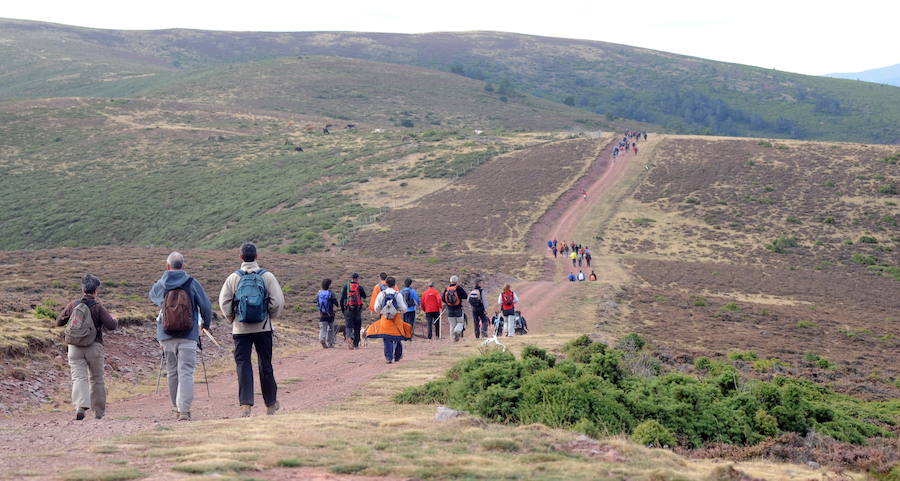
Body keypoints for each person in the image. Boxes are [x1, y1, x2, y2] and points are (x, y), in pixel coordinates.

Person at [218, 242, 285, 418]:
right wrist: (268, 316)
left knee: (243, 364)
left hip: (240, 330)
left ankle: (245, 405)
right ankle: (270, 404)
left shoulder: (233, 278)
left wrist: (233, 318)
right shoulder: (267, 276)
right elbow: (277, 301)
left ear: (240, 257)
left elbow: (224, 302)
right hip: (263, 328)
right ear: (257, 256)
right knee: (265, 364)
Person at [149, 251, 213, 422]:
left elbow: (152, 296)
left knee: (172, 372)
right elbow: (206, 306)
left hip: (166, 335)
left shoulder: (161, 284)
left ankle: (176, 407)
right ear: (183, 266)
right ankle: (184, 410)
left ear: (167, 266)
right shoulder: (192, 283)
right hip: (188, 335)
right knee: (186, 372)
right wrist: (206, 325)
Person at [57, 274, 118, 420]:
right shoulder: (98, 307)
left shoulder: (73, 305)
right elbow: (111, 326)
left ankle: (80, 407)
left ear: (83, 289)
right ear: (95, 290)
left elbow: (59, 322)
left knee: (79, 377)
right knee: (97, 378)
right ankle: (98, 412)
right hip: (94, 346)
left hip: (74, 347)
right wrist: (115, 319)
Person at [366, 277, 410, 363]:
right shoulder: (398, 294)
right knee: (397, 336)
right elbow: (404, 309)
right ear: (394, 285)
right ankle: (397, 356)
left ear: (386, 284)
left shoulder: (381, 294)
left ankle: (389, 358)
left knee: (387, 338)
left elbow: (376, 308)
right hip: (396, 318)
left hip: (385, 318)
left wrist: (382, 311)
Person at [339, 273, 367, 349]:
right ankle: (356, 344)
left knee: (349, 326)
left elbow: (341, 299)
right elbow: (364, 296)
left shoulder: (346, 287)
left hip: (348, 309)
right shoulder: (359, 287)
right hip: (357, 310)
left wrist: (343, 309)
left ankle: (349, 338)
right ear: (357, 278)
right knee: (357, 327)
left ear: (351, 278)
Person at [442, 276, 468, 342]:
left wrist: (448, 303)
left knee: (452, 325)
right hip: (458, 308)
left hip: (450, 309)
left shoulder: (446, 289)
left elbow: (443, 298)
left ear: (450, 281)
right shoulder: (458, 288)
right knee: (460, 322)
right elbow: (465, 296)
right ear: (456, 281)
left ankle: (453, 340)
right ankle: (457, 331)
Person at [316, 279, 339, 348]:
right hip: (330, 314)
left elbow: (315, 301)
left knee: (323, 328)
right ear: (329, 285)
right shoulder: (331, 293)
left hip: (322, 314)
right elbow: (336, 303)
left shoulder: (319, 293)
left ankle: (322, 339)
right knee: (331, 328)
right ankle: (330, 343)